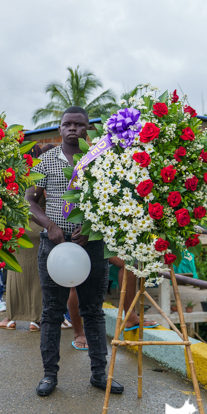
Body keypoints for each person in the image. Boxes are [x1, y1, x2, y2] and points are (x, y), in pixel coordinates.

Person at [25, 107, 124, 397]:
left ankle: (99, 374)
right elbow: (29, 201)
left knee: (93, 311)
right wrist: (50, 225)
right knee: (52, 311)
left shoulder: (101, 160)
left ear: (88, 129)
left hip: (91, 244)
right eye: (67, 124)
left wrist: (92, 225)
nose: (72, 129)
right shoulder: (44, 161)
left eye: (79, 125)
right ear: (59, 129)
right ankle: (49, 375)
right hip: (54, 246)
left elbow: (114, 200)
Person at [6, 143, 51, 332]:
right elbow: (48, 200)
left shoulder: (15, 177)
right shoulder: (39, 176)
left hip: (17, 229)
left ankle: (11, 318)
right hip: (37, 228)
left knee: (16, 275)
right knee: (36, 275)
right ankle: (34, 319)